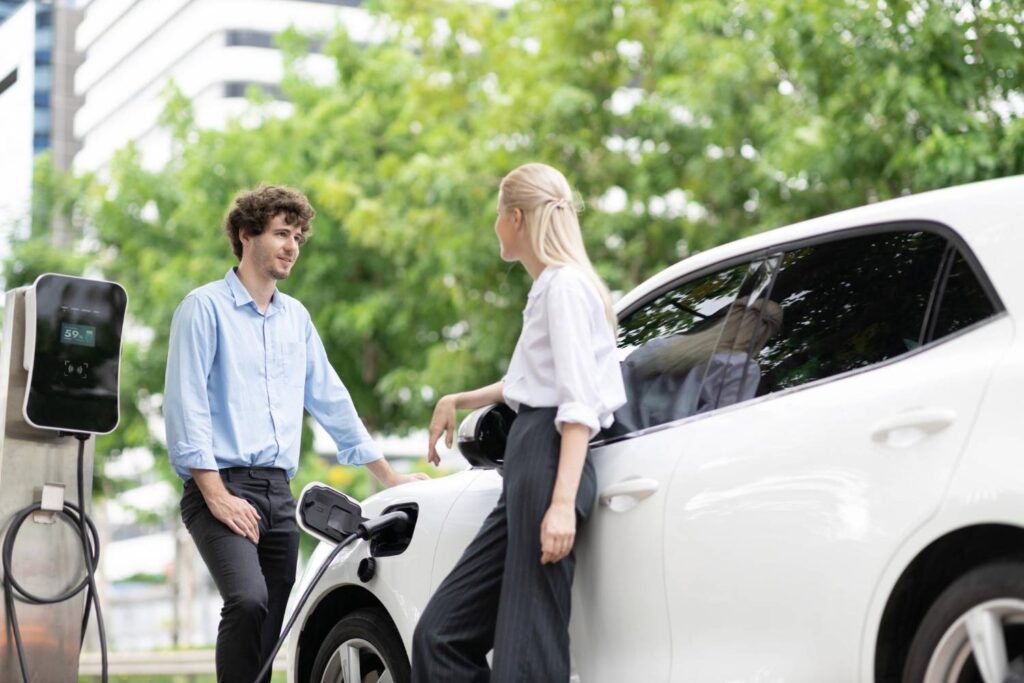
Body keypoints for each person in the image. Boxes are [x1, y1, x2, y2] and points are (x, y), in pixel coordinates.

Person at [163, 185, 426, 683]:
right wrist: (215, 494)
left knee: (273, 622)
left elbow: (331, 398)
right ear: (246, 235)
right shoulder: (203, 309)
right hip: (217, 484)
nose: (292, 246)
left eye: (298, 237)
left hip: (277, 493)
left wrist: (387, 475)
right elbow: (186, 407)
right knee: (247, 600)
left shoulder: (296, 319)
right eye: (282, 233)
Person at [411, 163, 626, 682]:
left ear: (514, 217)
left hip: (549, 460)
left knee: (527, 649)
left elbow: (577, 405)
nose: (495, 228)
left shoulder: (563, 288)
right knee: (440, 637)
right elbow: (528, 380)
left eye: (496, 216)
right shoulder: (552, 288)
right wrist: (458, 399)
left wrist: (559, 506)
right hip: (529, 459)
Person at [618, 296, 783, 430]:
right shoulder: (741, 368)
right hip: (667, 450)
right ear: (764, 334)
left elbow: (620, 379)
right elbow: (720, 426)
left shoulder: (669, 344)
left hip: (611, 437)